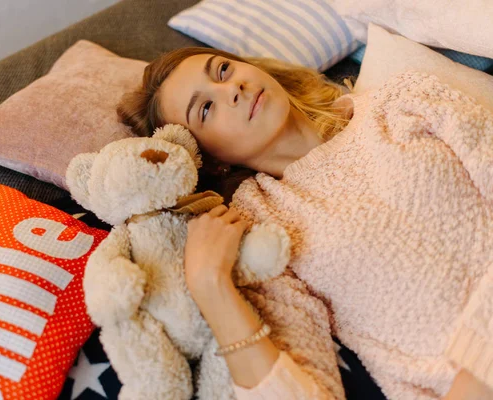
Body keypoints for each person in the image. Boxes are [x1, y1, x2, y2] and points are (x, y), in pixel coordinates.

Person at [117, 47, 493, 400]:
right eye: (205, 109)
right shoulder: (262, 231)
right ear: (212, 161)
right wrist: (211, 287)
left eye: (223, 70)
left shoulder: (402, 101)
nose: (232, 89)